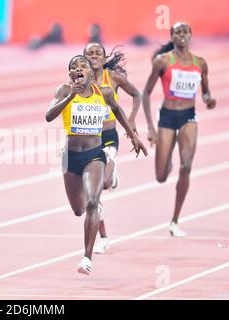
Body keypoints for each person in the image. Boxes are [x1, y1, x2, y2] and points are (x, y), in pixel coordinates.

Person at [45, 55, 147, 275]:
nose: (79, 69)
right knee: (78, 209)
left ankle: (87, 257)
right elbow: (48, 116)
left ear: (91, 72)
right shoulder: (64, 90)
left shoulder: (104, 92)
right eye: (74, 67)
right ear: (70, 74)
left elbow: (118, 111)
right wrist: (71, 95)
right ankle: (102, 185)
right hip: (71, 157)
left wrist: (133, 136)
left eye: (83, 66)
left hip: (94, 155)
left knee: (92, 202)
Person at [142, 22, 216, 237]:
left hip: (188, 117)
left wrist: (208, 100)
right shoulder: (162, 61)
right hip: (167, 117)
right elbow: (146, 93)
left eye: (185, 31)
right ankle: (167, 160)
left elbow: (205, 92)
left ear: (191, 35)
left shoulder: (200, 63)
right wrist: (150, 128)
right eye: (177, 32)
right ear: (172, 36)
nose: (182, 35)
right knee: (161, 176)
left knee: (186, 166)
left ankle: (175, 220)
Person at [83, 43, 142, 254]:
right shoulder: (80, 81)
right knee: (93, 194)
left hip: (108, 137)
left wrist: (133, 121)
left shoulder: (114, 78)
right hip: (88, 140)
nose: (94, 56)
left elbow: (137, 94)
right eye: (89, 53)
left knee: (105, 182)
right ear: (84, 57)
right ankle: (104, 238)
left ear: (105, 56)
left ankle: (112, 171)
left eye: (98, 53)